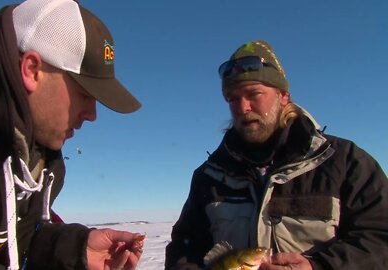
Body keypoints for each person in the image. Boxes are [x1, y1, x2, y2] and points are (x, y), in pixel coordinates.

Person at [0, 0, 144, 269]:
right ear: (32, 70)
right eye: (84, 95)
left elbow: (9, 242)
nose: (92, 114)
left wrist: (75, 249)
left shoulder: (37, 164)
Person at [165, 40, 388, 270]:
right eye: (232, 99)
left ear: (283, 96)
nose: (242, 108)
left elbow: (380, 239)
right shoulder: (209, 176)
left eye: (254, 94)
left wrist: (318, 267)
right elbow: (184, 248)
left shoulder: (344, 161)